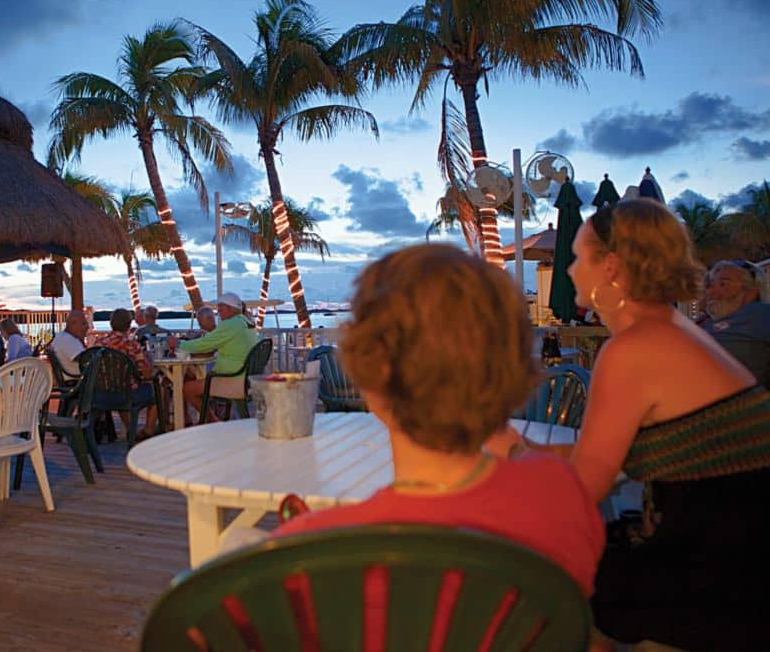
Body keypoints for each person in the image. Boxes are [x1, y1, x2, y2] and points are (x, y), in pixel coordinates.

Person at [491, 200, 770, 650]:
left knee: (535, 588)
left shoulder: (635, 349)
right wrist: (530, 450)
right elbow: (615, 456)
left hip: (723, 575)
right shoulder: (674, 330)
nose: (570, 270)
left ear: (612, 267)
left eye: (580, 258)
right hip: (731, 548)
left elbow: (583, 490)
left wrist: (517, 456)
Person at [274, 244, 604, 601]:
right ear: (510, 370)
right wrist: (520, 452)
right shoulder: (563, 496)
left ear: (371, 382)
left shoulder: (306, 552)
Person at [167, 293, 259, 424]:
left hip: (232, 380)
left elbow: (204, 344)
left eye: (221, 309)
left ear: (230, 308)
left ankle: (214, 422)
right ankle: (213, 421)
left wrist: (179, 344)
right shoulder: (245, 322)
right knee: (193, 382)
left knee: (187, 389)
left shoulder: (231, 324)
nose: (218, 312)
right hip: (244, 379)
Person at [86, 308, 159, 440]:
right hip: (126, 394)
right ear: (129, 324)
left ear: (111, 323)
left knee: (120, 387)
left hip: (102, 393)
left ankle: (132, 431)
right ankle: (148, 431)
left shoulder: (99, 344)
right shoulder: (131, 345)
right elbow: (147, 373)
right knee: (157, 390)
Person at [701, 259, 770, 388]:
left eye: (724, 284)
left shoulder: (761, 314)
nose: (710, 292)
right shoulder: (703, 323)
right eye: (711, 285)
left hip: (729, 402)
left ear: (751, 291)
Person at [51, 309, 89, 378]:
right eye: (83, 324)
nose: (87, 327)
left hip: (76, 378)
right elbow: (85, 359)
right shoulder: (67, 340)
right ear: (72, 324)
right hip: (78, 380)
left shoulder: (61, 336)